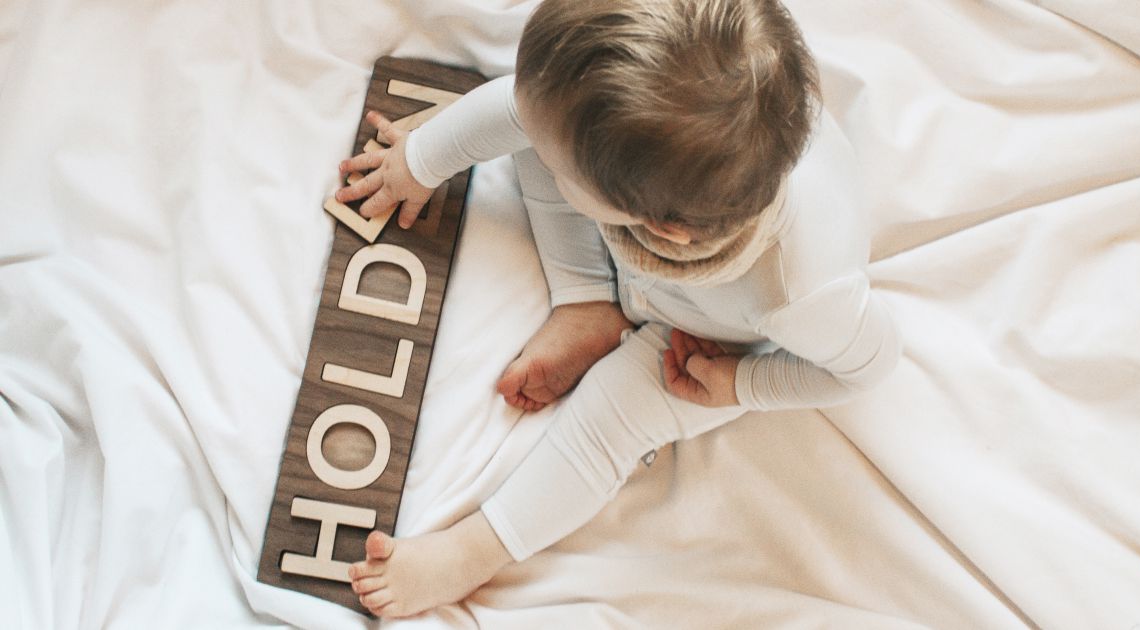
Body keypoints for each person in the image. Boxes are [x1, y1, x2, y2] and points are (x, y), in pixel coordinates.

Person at [331, 0, 900, 618]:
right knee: (540, 133)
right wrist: (419, 162)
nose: (524, 114)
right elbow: (519, 109)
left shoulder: (802, 295)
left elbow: (868, 367)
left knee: (618, 414)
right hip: (647, 213)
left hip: (707, 339)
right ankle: (587, 303)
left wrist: (741, 382)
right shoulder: (655, 143)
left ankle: (475, 550)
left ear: (662, 230)